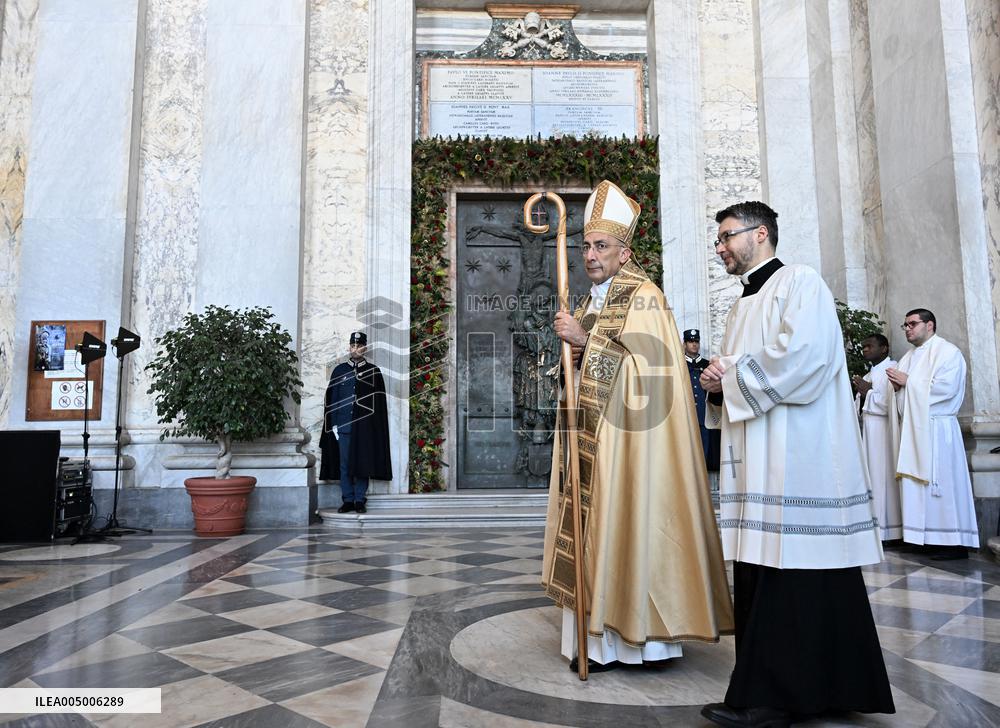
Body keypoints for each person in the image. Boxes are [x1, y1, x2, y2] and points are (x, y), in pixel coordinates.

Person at [699, 201, 894, 726]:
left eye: (726, 237)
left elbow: (805, 359)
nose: (720, 248)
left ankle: (775, 700)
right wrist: (718, 387)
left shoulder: (801, 282)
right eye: (718, 240)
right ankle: (819, 689)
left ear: (760, 234)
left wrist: (731, 373)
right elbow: (745, 376)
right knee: (768, 574)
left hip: (797, 459)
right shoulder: (742, 305)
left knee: (797, 575)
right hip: (759, 461)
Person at [541, 179, 733, 673]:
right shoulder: (588, 299)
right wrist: (571, 354)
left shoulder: (644, 296)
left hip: (631, 447)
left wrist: (585, 341)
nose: (590, 254)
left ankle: (642, 640)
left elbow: (654, 373)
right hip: (593, 440)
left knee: (633, 525)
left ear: (624, 252)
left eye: (601, 245)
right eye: (585, 245)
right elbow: (581, 368)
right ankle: (595, 639)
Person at [887, 309, 980, 559]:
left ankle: (954, 543)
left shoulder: (948, 353)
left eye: (912, 324)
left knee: (942, 484)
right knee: (915, 485)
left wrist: (908, 382)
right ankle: (922, 538)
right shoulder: (908, 357)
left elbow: (946, 389)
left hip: (938, 431)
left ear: (930, 325)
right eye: (905, 325)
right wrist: (897, 388)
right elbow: (904, 391)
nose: (907, 328)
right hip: (914, 429)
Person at [318, 331, 392, 514]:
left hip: (365, 427)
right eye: (353, 346)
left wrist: (374, 427)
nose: (355, 349)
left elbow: (378, 402)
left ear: (365, 348)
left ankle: (360, 499)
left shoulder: (373, 371)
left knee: (363, 463)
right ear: (349, 347)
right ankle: (348, 499)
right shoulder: (340, 370)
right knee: (344, 464)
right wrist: (333, 424)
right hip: (343, 426)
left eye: (359, 346)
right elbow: (332, 399)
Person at [852, 334, 902, 542]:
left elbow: (893, 405)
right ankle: (876, 529)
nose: (865, 349)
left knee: (884, 477)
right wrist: (861, 394)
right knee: (873, 477)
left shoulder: (893, 369)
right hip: (869, 432)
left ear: (884, 348)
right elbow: (862, 406)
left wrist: (868, 392)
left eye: (869, 346)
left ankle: (890, 531)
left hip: (884, 431)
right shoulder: (870, 373)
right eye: (863, 347)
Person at [683, 328, 721, 471]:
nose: (694, 344)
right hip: (686, 417)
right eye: (690, 341)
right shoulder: (679, 366)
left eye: (696, 341)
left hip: (705, 416)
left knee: (705, 453)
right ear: (684, 344)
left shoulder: (707, 365)